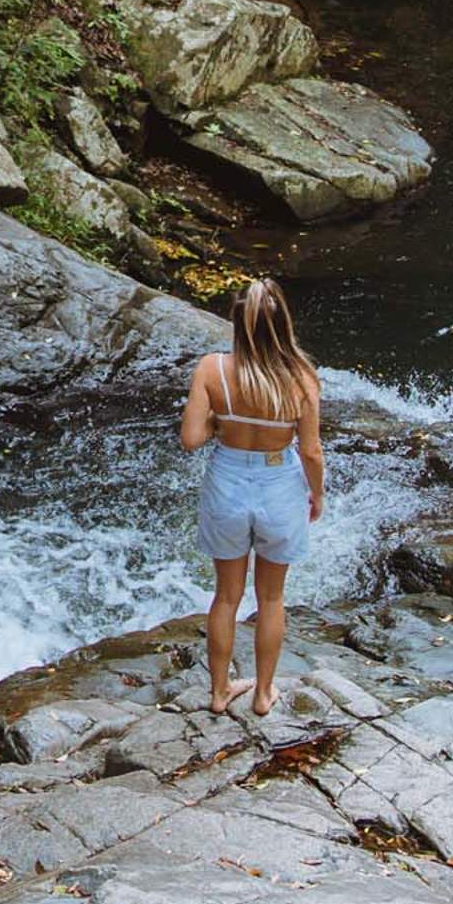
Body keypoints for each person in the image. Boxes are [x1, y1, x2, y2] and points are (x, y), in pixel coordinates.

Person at [178, 278, 324, 716]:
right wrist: (316, 495)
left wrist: (220, 424)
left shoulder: (211, 369)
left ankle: (220, 694)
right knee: (272, 598)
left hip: (228, 479)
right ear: (283, 325)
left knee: (226, 595)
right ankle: (262, 694)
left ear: (237, 324)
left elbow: (190, 439)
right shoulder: (300, 377)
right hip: (280, 483)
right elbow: (311, 451)